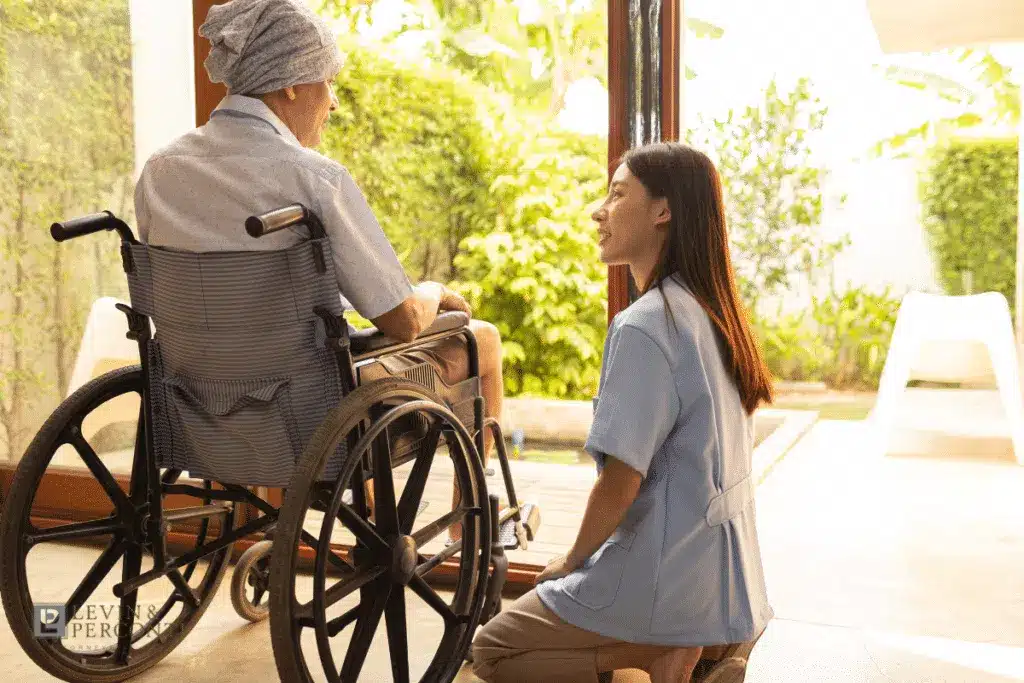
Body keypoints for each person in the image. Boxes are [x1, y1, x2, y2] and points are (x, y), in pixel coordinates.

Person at [133, 0, 503, 534]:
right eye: (327, 82)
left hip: (195, 408)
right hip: (303, 418)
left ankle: (370, 516)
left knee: (334, 356)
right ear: (290, 85)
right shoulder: (312, 177)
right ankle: (468, 526)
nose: (332, 101)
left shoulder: (160, 171)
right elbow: (401, 320)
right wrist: (432, 288)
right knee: (481, 339)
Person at [470, 142, 775, 683]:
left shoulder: (646, 326)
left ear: (663, 211)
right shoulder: (715, 314)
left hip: (663, 581)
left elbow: (620, 483)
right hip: (728, 585)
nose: (599, 211)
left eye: (616, 194)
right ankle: (700, 650)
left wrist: (571, 560)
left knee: (491, 651)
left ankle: (648, 656)